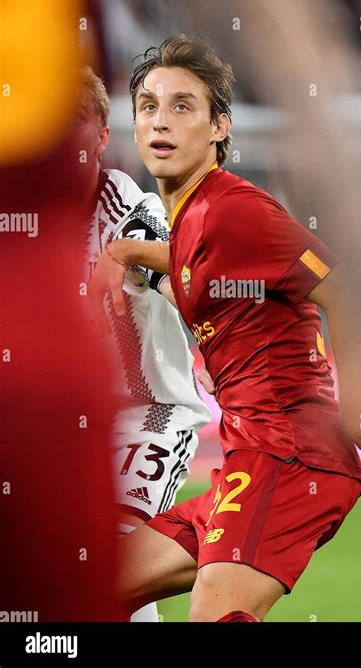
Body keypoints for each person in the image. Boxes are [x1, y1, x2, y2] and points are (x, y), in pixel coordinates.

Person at [90, 35, 361, 622]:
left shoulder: (234, 209)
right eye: (148, 106)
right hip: (247, 459)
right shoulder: (194, 217)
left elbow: (342, 288)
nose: (160, 123)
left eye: (182, 106)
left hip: (292, 457)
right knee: (92, 588)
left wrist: (360, 416)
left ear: (220, 126)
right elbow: (193, 274)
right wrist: (125, 250)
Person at [78, 66, 211, 621]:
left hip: (148, 414)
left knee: (113, 563)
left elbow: (186, 278)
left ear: (102, 138)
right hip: (68, 419)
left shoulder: (130, 214)